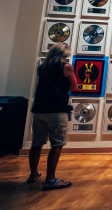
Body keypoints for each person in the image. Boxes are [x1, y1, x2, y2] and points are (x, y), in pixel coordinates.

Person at [27, 43, 77, 190]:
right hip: (56, 110)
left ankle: (33, 174)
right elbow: (74, 85)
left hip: (39, 110)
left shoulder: (42, 67)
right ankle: (50, 179)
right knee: (57, 144)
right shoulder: (66, 67)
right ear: (64, 54)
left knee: (37, 143)